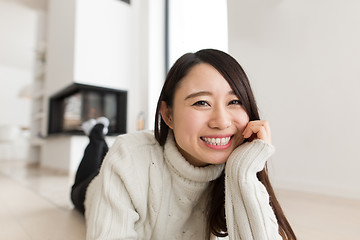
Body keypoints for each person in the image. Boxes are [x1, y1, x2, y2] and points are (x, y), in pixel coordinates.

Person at [71, 49, 297, 240]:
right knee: (91, 166)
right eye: (202, 102)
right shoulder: (129, 156)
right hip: (93, 190)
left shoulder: (240, 164)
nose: (221, 122)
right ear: (168, 115)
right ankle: (97, 134)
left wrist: (244, 172)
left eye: (234, 101)